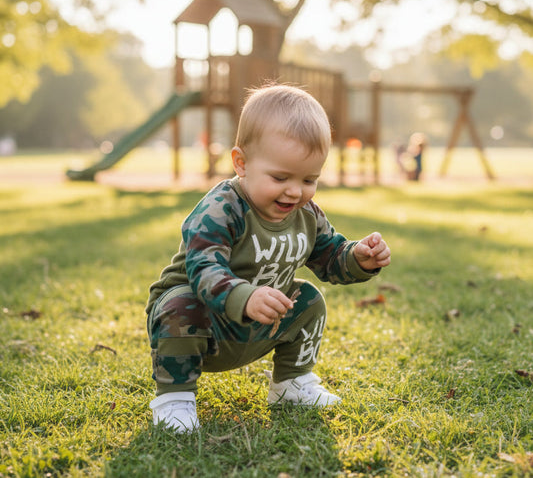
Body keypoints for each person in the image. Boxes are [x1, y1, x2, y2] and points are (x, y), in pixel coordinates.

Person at [146, 84, 391, 433]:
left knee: (308, 300)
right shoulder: (222, 209)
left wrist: (359, 258)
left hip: (261, 324)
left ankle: (291, 383)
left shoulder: (306, 214)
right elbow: (203, 268)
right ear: (241, 163)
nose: (295, 190)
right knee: (178, 303)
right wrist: (244, 296)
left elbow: (329, 255)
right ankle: (175, 399)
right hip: (203, 324)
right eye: (280, 177)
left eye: (310, 179)